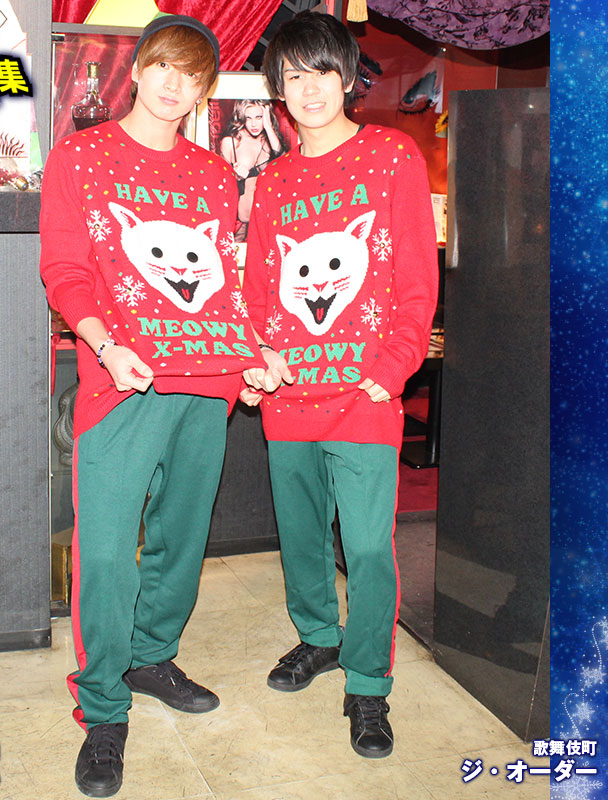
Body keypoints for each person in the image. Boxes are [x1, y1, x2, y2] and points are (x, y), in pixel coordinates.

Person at [39, 14, 262, 797]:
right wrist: (105, 346)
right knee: (105, 553)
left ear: (205, 89)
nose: (174, 84)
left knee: (181, 540)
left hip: (206, 385)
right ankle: (104, 708)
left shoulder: (212, 174)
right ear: (138, 69)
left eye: (192, 74)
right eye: (163, 66)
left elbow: (223, 283)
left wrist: (247, 360)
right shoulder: (81, 156)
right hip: (122, 382)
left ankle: (150, 658)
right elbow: (65, 270)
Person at [242, 9, 438, 759]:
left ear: (349, 77)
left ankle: (367, 683)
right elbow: (259, 290)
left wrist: (391, 371)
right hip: (289, 394)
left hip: (364, 394)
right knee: (300, 539)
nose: (310, 89)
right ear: (278, 90)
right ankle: (319, 638)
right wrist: (257, 358)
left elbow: (416, 278)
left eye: (323, 71)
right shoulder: (274, 181)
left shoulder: (392, 156)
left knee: (367, 547)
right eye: (294, 76)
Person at [218, 99, 287, 241]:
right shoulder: (231, 142)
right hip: (240, 223)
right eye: (248, 118)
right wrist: (236, 177)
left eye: (259, 117)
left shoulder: (269, 141)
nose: (254, 124)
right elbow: (219, 185)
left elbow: (284, 162)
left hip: (267, 221)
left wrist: (268, 127)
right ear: (241, 118)